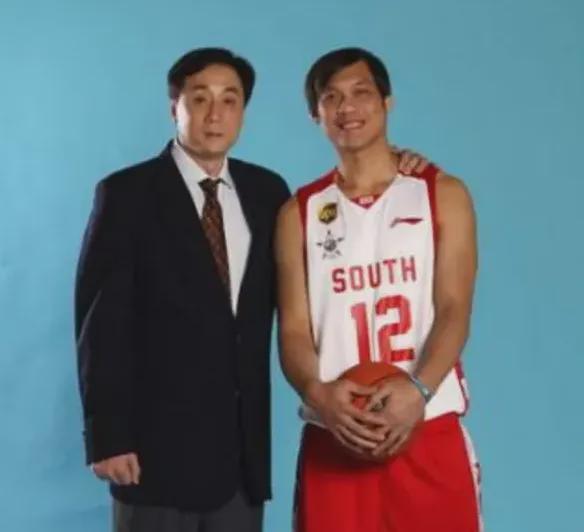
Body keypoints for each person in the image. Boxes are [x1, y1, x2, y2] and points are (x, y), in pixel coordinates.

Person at [276, 47, 481, 532]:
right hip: (336, 434)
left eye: (361, 93)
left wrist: (419, 389)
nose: (347, 108)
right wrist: (318, 393)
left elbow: (455, 308)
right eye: (331, 98)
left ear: (387, 102)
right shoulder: (298, 213)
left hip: (427, 423)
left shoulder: (442, 193)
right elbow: (294, 329)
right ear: (316, 115)